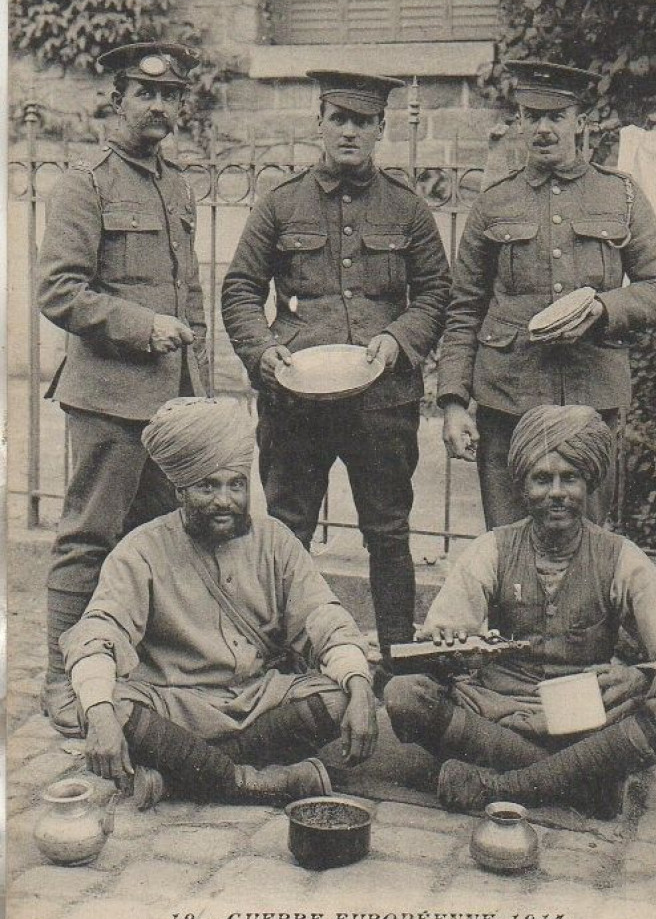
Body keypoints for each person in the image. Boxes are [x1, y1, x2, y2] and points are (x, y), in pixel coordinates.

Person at [384, 405, 656, 818]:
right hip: (498, 712)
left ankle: (504, 785)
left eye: (569, 478)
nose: (556, 492)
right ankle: (582, 783)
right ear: (522, 486)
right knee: (404, 695)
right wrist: (447, 656)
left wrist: (641, 677)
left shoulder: (621, 558)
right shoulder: (492, 549)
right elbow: (438, 640)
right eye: (542, 479)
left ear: (588, 483)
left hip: (588, 718)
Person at [221, 71, 450, 654]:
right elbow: (241, 289)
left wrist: (399, 339)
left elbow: (435, 292)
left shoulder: (408, 209)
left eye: (363, 121)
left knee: (388, 530)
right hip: (296, 397)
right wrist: (264, 351)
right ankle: (284, 657)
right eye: (339, 119)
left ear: (380, 128)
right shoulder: (280, 205)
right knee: (287, 529)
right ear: (319, 122)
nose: (350, 132)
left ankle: (399, 658)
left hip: (383, 401)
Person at [59, 396, 377, 809]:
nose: (224, 500)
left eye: (236, 485)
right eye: (207, 486)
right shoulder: (141, 550)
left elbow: (323, 618)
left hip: (259, 701)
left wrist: (360, 686)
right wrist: (99, 714)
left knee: (337, 696)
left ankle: (182, 779)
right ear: (179, 491)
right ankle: (259, 784)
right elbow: (99, 632)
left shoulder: (276, 541)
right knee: (108, 707)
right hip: (177, 707)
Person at [37, 42, 210, 736]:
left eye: (170, 97)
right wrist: (142, 327)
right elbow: (59, 291)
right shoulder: (86, 183)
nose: (159, 108)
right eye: (146, 95)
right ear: (118, 99)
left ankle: (128, 666)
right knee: (88, 538)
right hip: (108, 397)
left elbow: (189, 293)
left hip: (170, 403)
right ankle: (60, 679)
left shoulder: (177, 184)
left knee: (161, 539)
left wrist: (200, 387)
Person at [439, 60, 656, 528]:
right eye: (531, 116)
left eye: (556, 116)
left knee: (586, 545)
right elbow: (464, 307)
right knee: (507, 546)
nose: (543, 129)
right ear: (519, 123)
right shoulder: (494, 202)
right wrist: (453, 402)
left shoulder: (622, 196)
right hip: (507, 400)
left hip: (590, 401)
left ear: (580, 123)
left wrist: (605, 308)